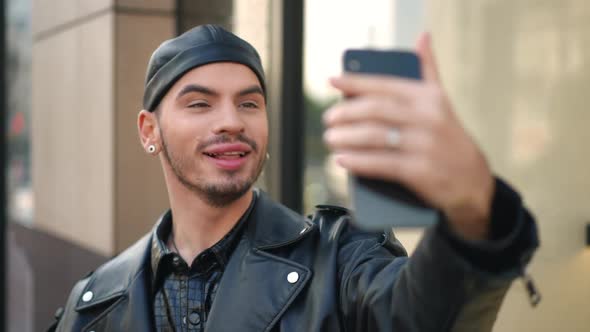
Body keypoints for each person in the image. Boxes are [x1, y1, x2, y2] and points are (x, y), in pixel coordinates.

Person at [49, 24, 539, 332]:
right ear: (149, 130)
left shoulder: (342, 258)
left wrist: (475, 208)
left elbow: (418, 316)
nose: (231, 121)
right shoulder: (94, 302)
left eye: (249, 103)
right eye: (200, 103)